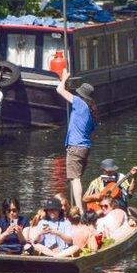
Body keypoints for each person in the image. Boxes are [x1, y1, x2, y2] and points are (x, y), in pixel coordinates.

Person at [55, 68, 98, 211]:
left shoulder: (80, 103)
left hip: (75, 147)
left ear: (81, 95)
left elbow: (59, 90)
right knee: (77, 178)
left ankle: (79, 210)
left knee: (75, 179)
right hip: (86, 148)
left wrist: (65, 78)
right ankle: (79, 207)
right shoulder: (92, 111)